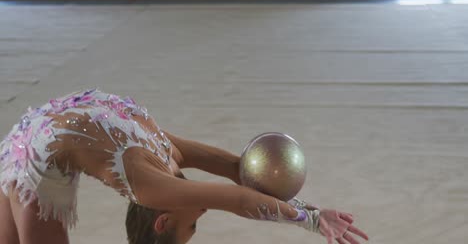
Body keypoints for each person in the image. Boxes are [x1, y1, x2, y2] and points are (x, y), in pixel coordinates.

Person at [0, 89, 369, 244]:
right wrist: (312, 219)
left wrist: (313, 213)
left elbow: (242, 172)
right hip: (33, 147)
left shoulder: (161, 164)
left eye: (193, 223)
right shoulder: (156, 174)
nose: (202, 211)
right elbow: (239, 196)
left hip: (31, 137)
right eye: (192, 225)